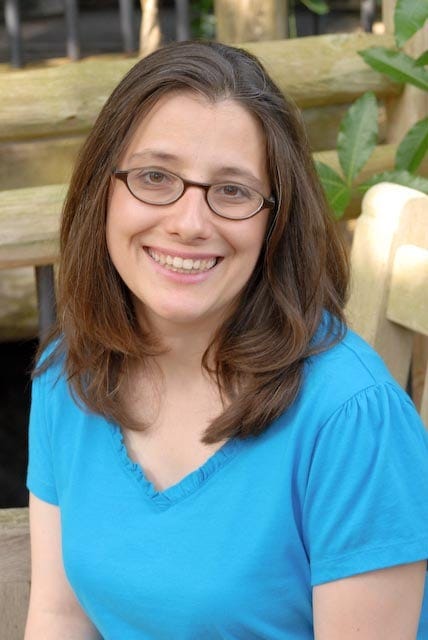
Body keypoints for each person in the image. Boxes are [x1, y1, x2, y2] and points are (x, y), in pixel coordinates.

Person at [25, 41, 428, 640]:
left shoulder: (352, 417)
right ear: (100, 192)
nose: (189, 223)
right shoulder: (70, 373)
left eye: (233, 190)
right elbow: (61, 615)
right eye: (154, 177)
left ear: (276, 220)